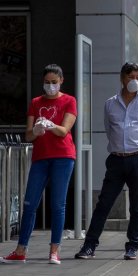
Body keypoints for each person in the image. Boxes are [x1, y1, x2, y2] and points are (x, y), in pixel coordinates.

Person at [74, 62, 138, 260]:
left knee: (137, 206)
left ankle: (132, 245)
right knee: (104, 203)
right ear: (122, 78)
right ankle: (89, 246)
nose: (135, 81)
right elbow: (109, 129)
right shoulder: (110, 103)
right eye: (131, 77)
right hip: (116, 160)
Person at [0, 64, 77, 265]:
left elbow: (65, 130)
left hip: (63, 156)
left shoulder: (69, 100)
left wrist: (51, 126)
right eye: (46, 82)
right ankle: (20, 250)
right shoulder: (36, 102)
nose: (50, 86)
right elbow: (28, 135)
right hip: (41, 157)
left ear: (61, 81)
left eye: (54, 82)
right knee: (29, 203)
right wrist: (36, 130)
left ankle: (54, 251)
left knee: (58, 204)